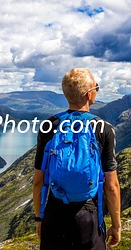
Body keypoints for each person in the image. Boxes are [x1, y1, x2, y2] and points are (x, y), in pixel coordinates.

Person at [33, 68, 121, 250]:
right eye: (97, 87)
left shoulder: (49, 125)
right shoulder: (103, 129)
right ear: (89, 94)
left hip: (55, 212)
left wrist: (39, 218)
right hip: (88, 215)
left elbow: (38, 181)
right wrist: (116, 225)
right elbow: (111, 185)